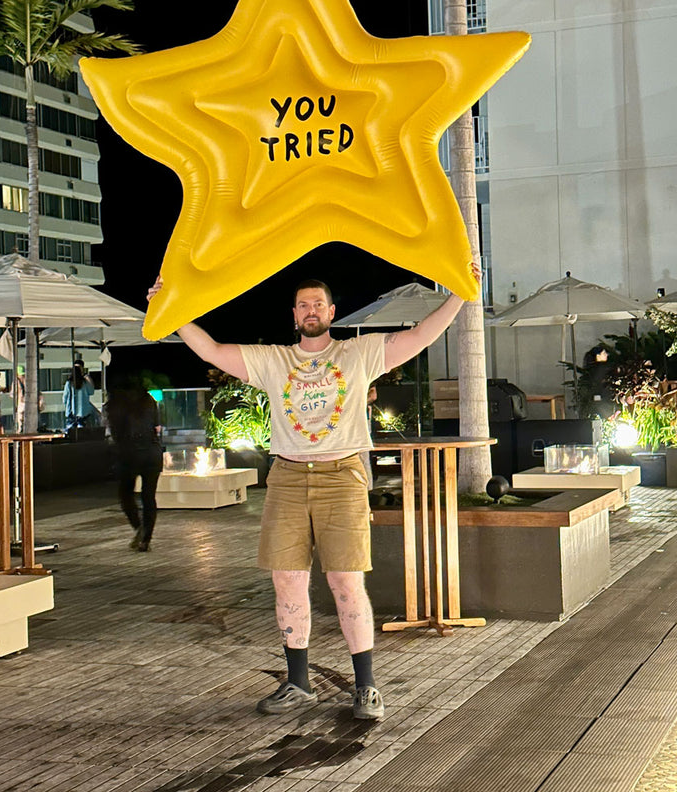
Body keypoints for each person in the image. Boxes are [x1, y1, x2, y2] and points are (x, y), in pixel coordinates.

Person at [147, 268, 477, 721]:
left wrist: (460, 295)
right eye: (303, 304)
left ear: (332, 312)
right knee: (287, 579)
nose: (311, 310)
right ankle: (298, 683)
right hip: (285, 476)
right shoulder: (274, 360)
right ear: (294, 314)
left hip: (342, 475)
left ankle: (366, 687)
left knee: (345, 580)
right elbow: (213, 350)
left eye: (318, 304)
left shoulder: (358, 353)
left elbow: (420, 335)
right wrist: (174, 309)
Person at [104, 387, 163, 553]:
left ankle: (139, 528)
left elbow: (114, 433)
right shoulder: (149, 399)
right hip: (152, 453)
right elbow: (157, 427)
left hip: (130, 455)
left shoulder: (115, 403)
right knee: (148, 496)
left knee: (125, 493)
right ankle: (145, 539)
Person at [63, 361, 96, 432]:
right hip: (83, 413)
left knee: (70, 434)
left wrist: (67, 407)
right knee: (83, 434)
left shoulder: (69, 383)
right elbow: (91, 392)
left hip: (71, 413)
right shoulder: (85, 382)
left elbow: (65, 398)